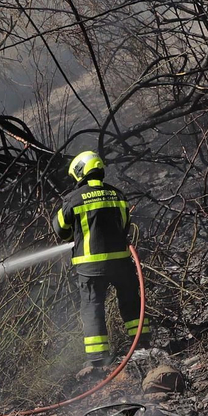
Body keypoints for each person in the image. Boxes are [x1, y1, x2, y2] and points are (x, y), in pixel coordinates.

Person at [53, 149, 141, 374]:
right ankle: (142, 344)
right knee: (130, 302)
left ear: (80, 172)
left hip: (90, 267)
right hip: (121, 262)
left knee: (93, 308)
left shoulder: (73, 199)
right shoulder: (117, 195)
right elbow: (125, 225)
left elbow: (61, 230)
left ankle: (98, 358)